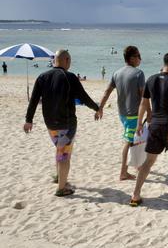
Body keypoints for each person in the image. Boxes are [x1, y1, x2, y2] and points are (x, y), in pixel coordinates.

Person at [23, 49, 100, 197]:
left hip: (50, 124)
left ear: (54, 61)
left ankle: (59, 177)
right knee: (65, 154)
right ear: (66, 60)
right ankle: (61, 188)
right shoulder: (69, 77)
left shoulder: (42, 77)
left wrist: (29, 120)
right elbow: (83, 97)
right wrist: (97, 108)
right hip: (67, 124)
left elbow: (33, 100)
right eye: (69, 60)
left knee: (59, 148)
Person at [130, 52, 168, 206]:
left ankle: (135, 194)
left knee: (149, 161)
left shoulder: (150, 80)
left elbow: (143, 104)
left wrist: (139, 124)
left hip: (154, 126)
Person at [96, 46, 146, 180]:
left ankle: (137, 164)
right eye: (138, 56)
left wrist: (100, 107)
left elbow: (107, 92)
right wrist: (150, 111)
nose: (140, 59)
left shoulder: (116, 73)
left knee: (136, 139)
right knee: (129, 141)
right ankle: (123, 172)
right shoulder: (138, 74)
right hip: (134, 114)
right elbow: (144, 97)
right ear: (131, 58)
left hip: (122, 114)